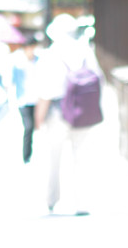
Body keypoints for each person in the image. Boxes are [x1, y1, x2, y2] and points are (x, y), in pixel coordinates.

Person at [35, 13, 103, 217]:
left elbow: (45, 90)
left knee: (53, 159)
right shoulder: (86, 51)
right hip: (83, 111)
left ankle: (51, 200)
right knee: (81, 158)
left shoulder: (51, 53)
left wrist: (39, 117)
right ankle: (81, 203)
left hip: (57, 112)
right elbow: (99, 79)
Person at [10, 37, 40, 164]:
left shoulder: (38, 60)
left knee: (37, 126)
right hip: (23, 100)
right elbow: (12, 81)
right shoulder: (18, 62)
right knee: (28, 127)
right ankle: (26, 155)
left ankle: (34, 152)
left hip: (37, 99)